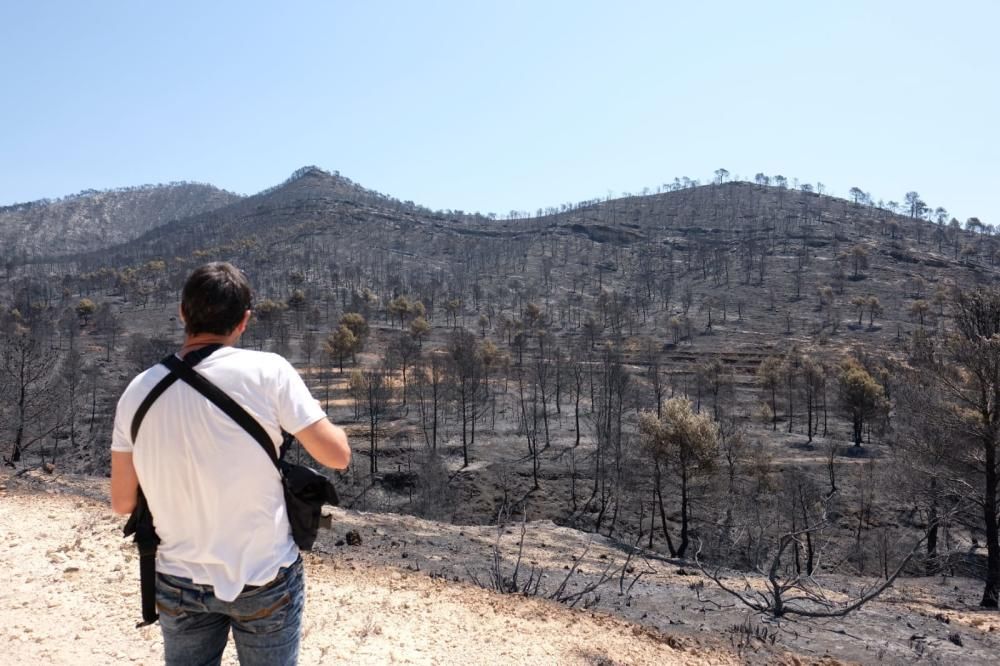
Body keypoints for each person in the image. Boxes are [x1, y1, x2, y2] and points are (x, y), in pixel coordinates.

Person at [110, 261, 350, 665]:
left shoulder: (138, 390)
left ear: (183, 313)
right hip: (263, 576)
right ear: (244, 320)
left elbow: (122, 502)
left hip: (177, 578)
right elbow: (336, 456)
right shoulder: (269, 371)